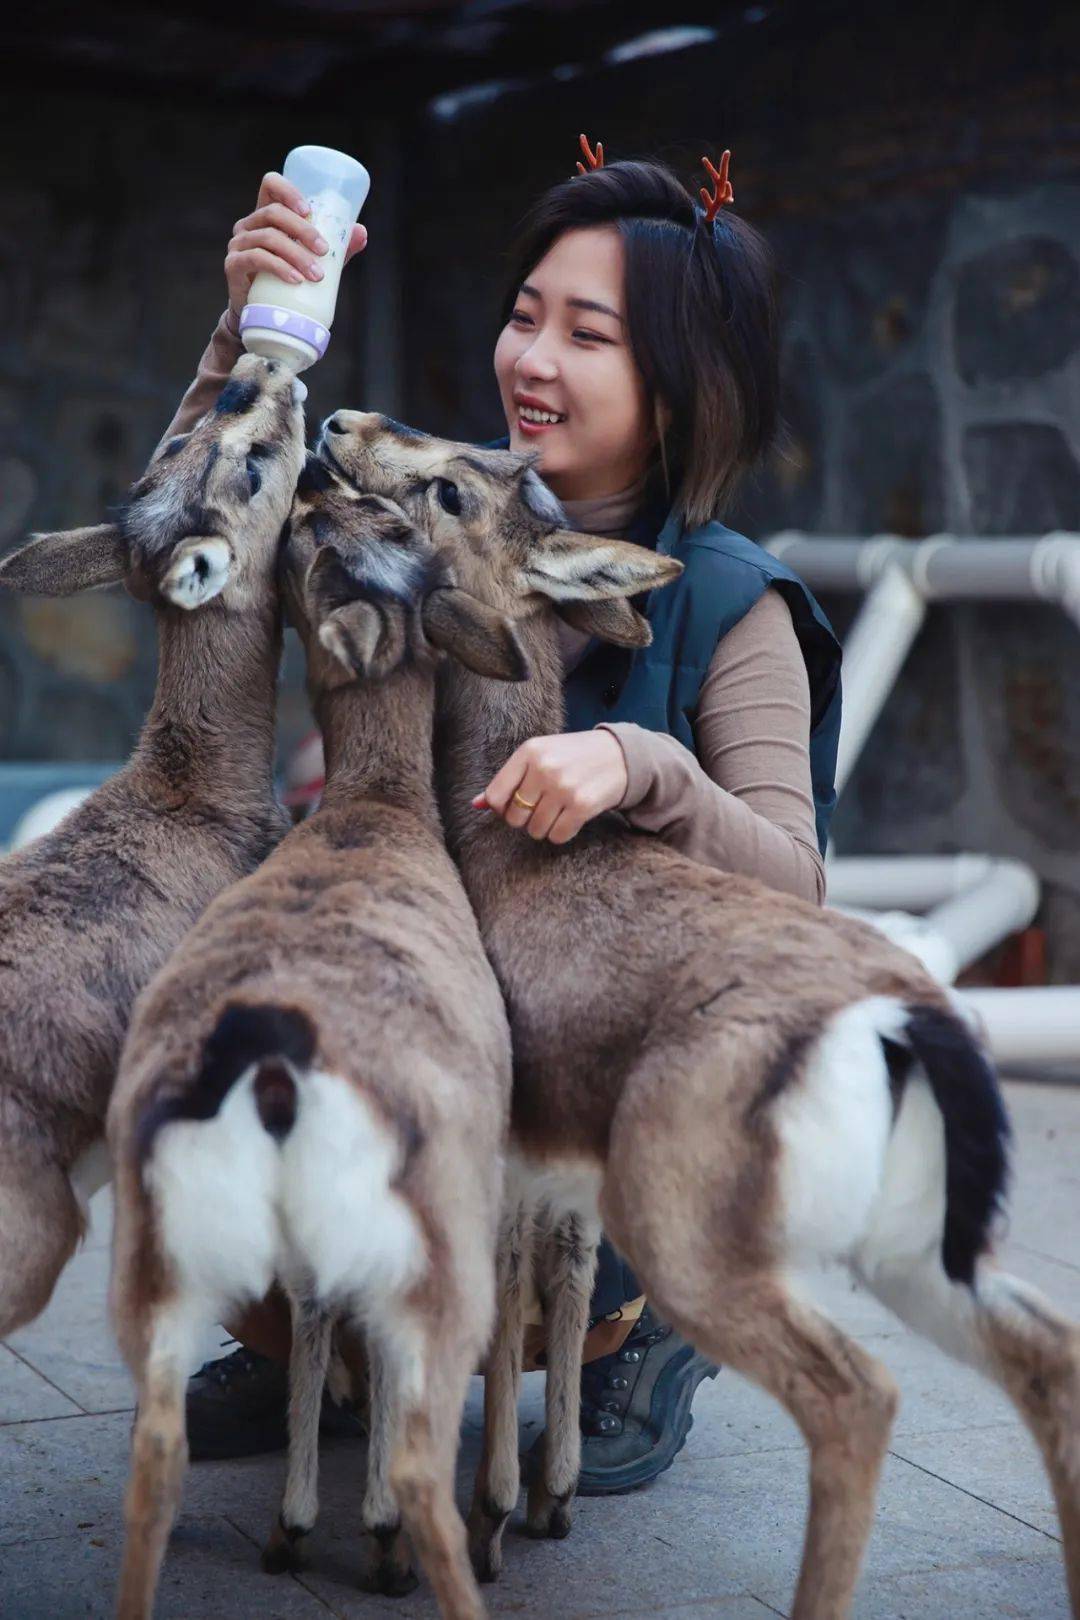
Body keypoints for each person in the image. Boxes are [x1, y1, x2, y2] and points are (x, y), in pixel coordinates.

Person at [165, 136, 842, 1492]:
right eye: (524, 314)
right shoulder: (423, 506)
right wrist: (240, 341)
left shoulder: (726, 601)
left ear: (677, 388)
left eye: (586, 334)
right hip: (422, 1009)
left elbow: (799, 894)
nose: (530, 357)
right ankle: (341, 1341)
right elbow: (196, 544)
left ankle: (642, 1327)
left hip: (594, 1062)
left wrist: (647, 766)